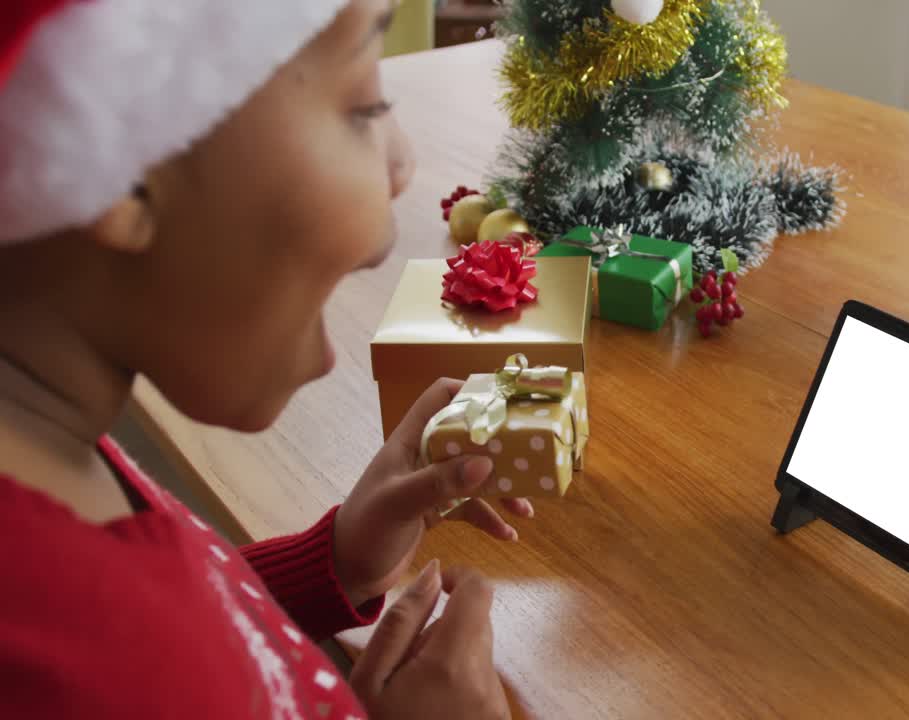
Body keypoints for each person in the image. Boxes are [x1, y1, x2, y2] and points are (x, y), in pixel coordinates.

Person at [0, 1, 530, 717]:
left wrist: (333, 563)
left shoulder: (46, 462)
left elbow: (180, 632)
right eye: (365, 105)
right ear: (125, 162)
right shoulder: (98, 666)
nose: (403, 161)